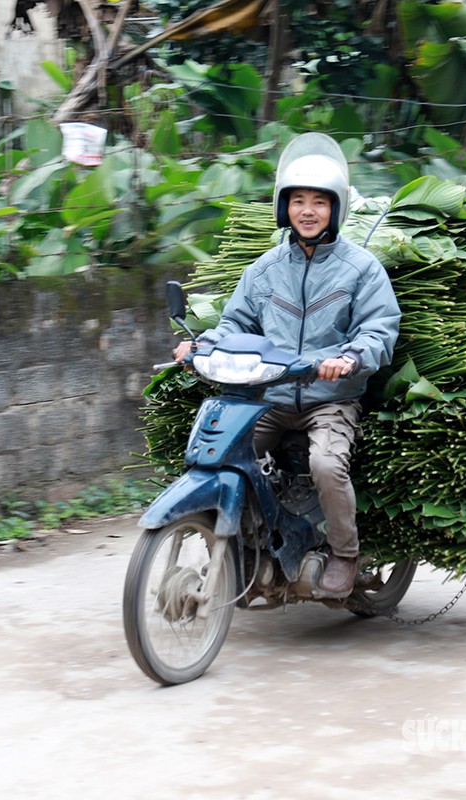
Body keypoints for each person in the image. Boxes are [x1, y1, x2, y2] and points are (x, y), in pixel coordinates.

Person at [172, 133, 401, 597]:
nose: (308, 211)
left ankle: (344, 552)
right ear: (285, 208)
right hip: (269, 395)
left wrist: (350, 358)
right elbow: (234, 321)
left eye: (320, 201)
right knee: (222, 455)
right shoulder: (263, 269)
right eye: (299, 201)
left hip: (329, 399)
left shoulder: (362, 269)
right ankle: (252, 542)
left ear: (335, 209)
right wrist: (200, 346)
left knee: (325, 465)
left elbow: (379, 330)